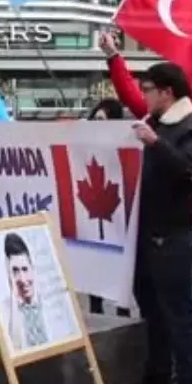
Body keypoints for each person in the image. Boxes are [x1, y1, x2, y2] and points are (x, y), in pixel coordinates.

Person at [116, 59, 192, 384]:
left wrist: (156, 144)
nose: (145, 96)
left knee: (179, 312)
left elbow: (191, 171)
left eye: (149, 90)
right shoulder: (153, 123)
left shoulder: (191, 128)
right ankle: (158, 374)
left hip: (172, 233)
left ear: (167, 92)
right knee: (151, 308)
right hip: (145, 229)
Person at [84, 98, 126, 317]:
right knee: (95, 265)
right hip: (92, 214)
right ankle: (96, 309)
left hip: (116, 217)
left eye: (104, 119)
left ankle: (122, 311)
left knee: (120, 268)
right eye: (97, 118)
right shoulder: (85, 142)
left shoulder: (124, 143)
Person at [3, 232, 48, 351]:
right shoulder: (8, 309)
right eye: (15, 271)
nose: (22, 280)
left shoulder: (48, 302)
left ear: (32, 268)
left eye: (25, 269)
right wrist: (14, 295)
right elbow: (15, 348)